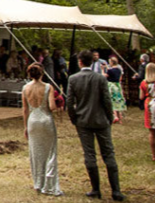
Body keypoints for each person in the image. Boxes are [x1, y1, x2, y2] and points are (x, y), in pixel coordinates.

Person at [66, 50, 125, 201]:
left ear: (80, 62)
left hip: (84, 121)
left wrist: (74, 118)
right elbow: (106, 99)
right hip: (101, 120)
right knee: (108, 153)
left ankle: (96, 189)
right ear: (92, 62)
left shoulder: (74, 79)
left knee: (89, 154)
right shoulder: (100, 78)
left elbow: (69, 102)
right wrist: (109, 116)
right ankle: (116, 190)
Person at [22, 63, 63, 196]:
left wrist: (25, 127)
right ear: (42, 73)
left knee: (35, 153)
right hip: (45, 120)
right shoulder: (47, 87)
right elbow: (51, 107)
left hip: (32, 121)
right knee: (50, 152)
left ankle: (38, 183)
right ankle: (50, 185)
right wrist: (58, 100)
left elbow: (25, 109)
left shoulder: (25, 88)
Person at [106, 56, 127, 124]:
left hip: (111, 86)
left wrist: (103, 69)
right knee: (118, 100)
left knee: (112, 100)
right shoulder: (119, 70)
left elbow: (105, 75)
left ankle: (115, 116)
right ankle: (120, 117)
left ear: (112, 62)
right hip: (118, 86)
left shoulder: (110, 70)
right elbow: (120, 77)